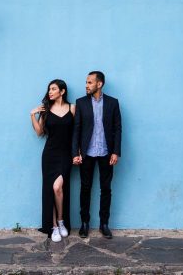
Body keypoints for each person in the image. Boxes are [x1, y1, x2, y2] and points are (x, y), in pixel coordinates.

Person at [72, 70, 122, 239]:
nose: (86, 85)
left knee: (106, 189)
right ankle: (84, 224)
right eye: (86, 82)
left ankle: (104, 224)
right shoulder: (81, 103)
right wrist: (75, 152)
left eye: (89, 82)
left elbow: (117, 128)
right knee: (85, 189)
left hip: (106, 154)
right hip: (87, 154)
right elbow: (76, 130)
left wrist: (116, 151)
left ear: (99, 84)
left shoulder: (112, 103)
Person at [30, 79, 75, 242]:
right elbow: (39, 132)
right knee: (51, 189)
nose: (50, 91)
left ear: (62, 91)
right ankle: (54, 226)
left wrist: (77, 152)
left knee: (58, 187)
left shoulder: (72, 108)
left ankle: (62, 220)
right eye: (49, 89)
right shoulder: (46, 110)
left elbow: (76, 133)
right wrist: (32, 115)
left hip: (66, 154)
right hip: (49, 154)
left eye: (54, 89)